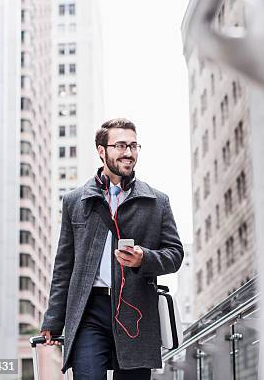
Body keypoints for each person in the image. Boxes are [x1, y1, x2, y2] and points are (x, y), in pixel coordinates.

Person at [40, 118, 184, 379]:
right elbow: (64, 265)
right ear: (101, 150)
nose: (128, 153)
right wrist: (53, 319)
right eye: (120, 145)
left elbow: (175, 255)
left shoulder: (157, 202)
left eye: (133, 145)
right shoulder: (75, 201)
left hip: (136, 311)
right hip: (88, 311)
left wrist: (144, 258)